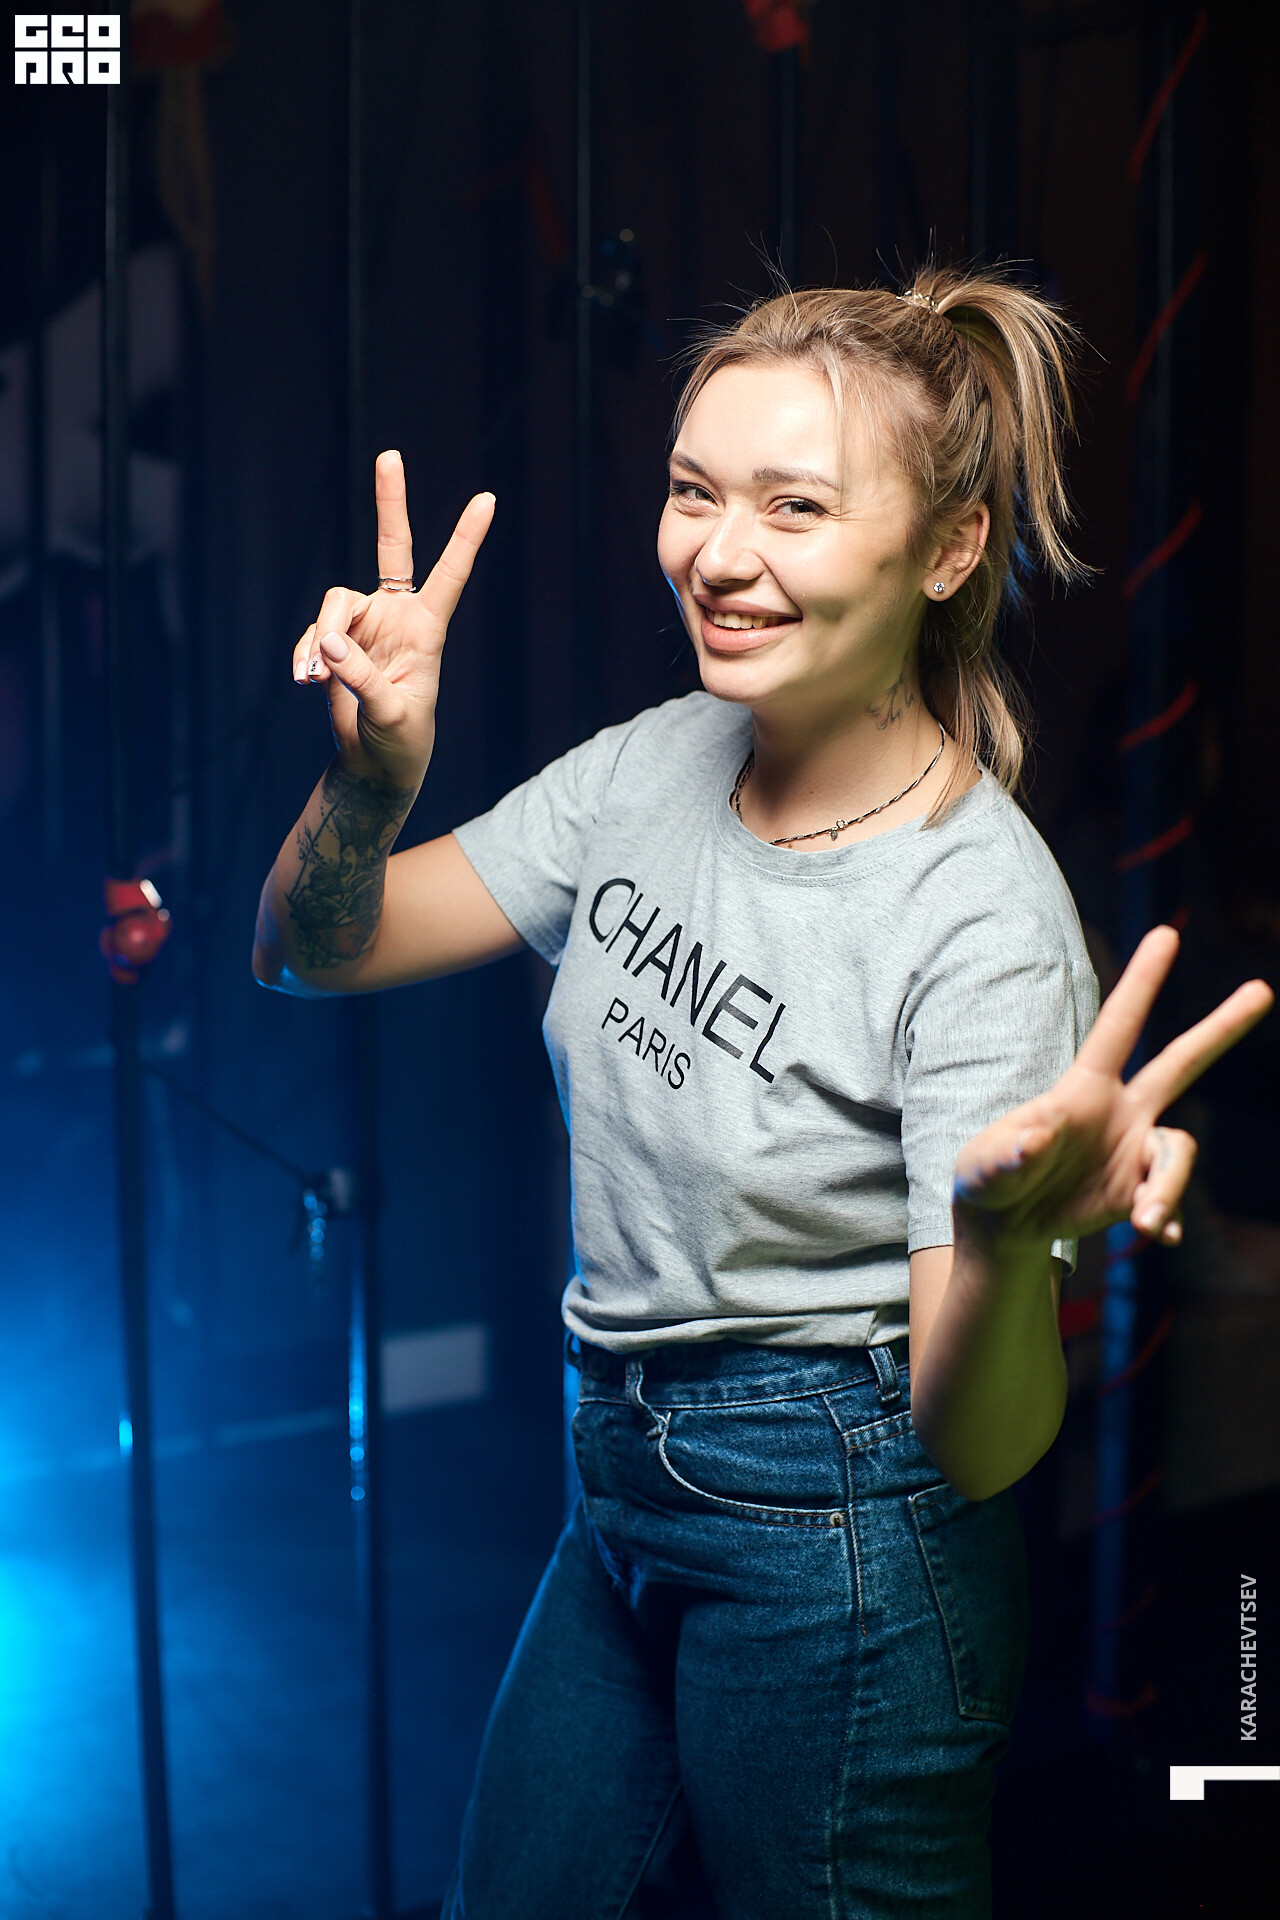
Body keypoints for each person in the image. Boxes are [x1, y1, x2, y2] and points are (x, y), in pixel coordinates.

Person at [253, 270, 1272, 1919]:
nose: (720, 555)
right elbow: (316, 949)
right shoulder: (655, 763)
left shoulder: (979, 922)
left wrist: (998, 1237)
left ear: (949, 549)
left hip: (845, 1535)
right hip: (616, 1479)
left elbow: (983, 1446)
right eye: (694, 491)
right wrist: (370, 780)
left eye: (795, 506)